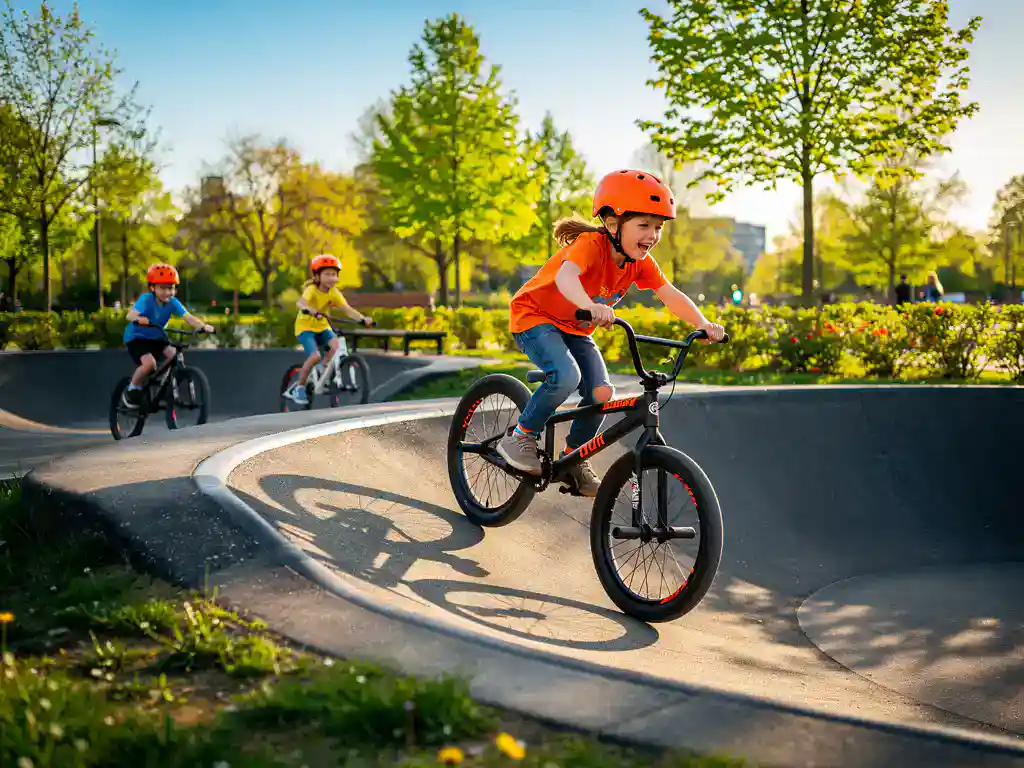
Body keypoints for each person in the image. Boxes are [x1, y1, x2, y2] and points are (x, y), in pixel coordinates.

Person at [499, 169, 727, 496]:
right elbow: (566, 278)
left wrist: (702, 325)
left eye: (658, 227)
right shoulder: (591, 245)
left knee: (602, 393)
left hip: (575, 328)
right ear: (612, 224)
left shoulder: (640, 262)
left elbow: (670, 294)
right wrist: (590, 306)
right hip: (535, 316)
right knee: (565, 376)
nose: (652, 235)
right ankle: (520, 435)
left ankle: (574, 457)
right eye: (644, 225)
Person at [283, 254, 373, 405]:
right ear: (317, 276)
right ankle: (299, 388)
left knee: (336, 346)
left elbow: (348, 309)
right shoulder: (311, 289)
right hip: (305, 328)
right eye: (327, 274)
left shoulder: (334, 293)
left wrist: (363, 319)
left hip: (323, 326)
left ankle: (325, 371)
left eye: (334, 274)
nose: (331, 278)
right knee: (315, 356)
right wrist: (309, 309)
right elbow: (301, 302)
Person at [122, 263, 214, 408]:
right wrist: (140, 319)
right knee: (149, 364)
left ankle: (164, 385)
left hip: (157, 336)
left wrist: (203, 326)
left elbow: (188, 317)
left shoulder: (173, 303)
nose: (167, 292)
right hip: (137, 336)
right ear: (152, 288)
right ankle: (132, 389)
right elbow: (130, 315)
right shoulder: (146, 299)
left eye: (170, 288)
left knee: (175, 356)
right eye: (163, 288)